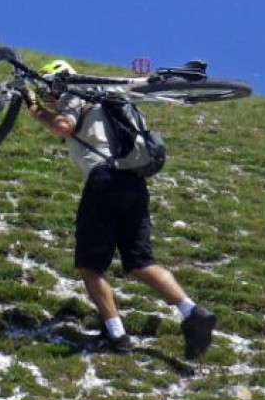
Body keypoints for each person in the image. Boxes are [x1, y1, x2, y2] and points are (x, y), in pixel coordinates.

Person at [25, 59, 216, 359]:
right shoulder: (109, 97)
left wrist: (36, 108)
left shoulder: (76, 95)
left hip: (104, 182)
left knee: (89, 266)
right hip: (135, 183)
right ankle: (191, 311)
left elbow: (62, 126)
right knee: (141, 262)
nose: (51, 96)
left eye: (50, 88)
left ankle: (116, 336)